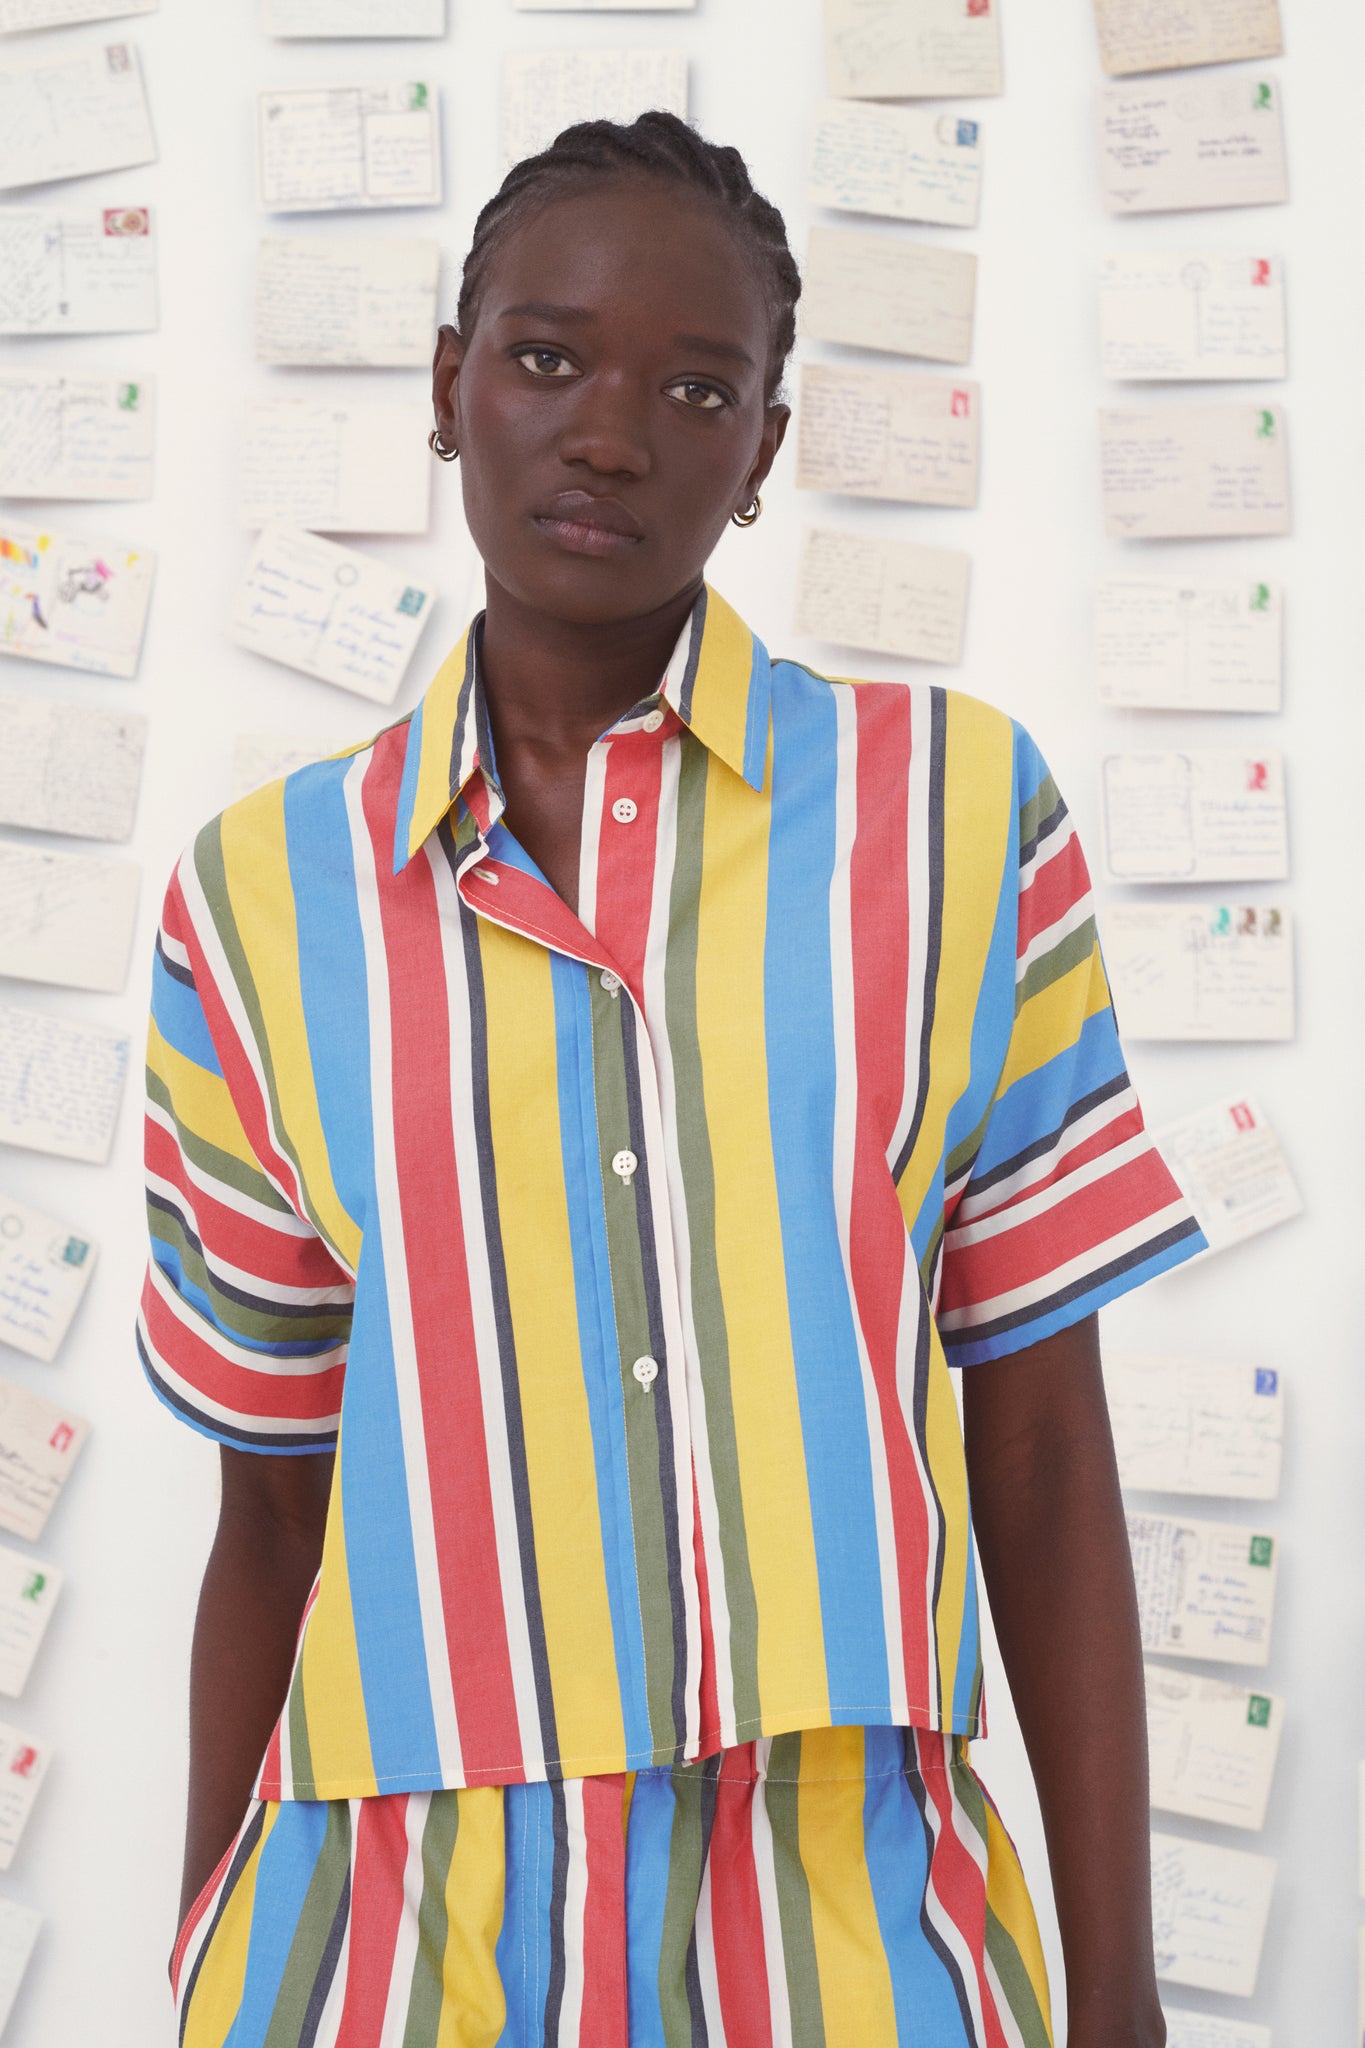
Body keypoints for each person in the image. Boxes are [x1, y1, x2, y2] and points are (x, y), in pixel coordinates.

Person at [141, 112, 1203, 2048]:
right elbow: (271, 1510)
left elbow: (1044, 1448)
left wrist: (1115, 1993)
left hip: (847, 1891)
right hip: (393, 1917)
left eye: (696, 389)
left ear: (763, 451)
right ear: (447, 387)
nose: (612, 435)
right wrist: (206, 1940)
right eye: (545, 357)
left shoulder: (954, 818)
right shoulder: (257, 901)